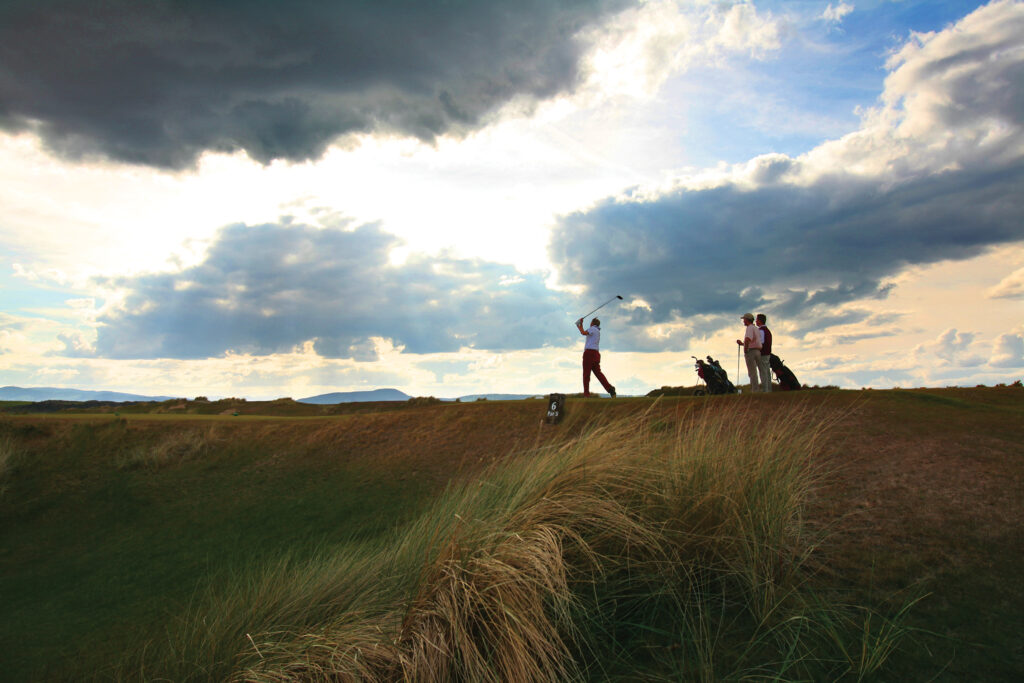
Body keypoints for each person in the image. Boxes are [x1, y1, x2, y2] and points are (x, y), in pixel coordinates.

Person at [575, 317, 616, 398]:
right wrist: (581, 324)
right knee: (598, 374)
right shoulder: (597, 330)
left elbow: (583, 332)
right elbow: (585, 332)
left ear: (592, 323)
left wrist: (578, 325)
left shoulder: (592, 329)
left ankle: (586, 394)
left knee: (586, 375)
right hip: (596, 354)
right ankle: (610, 389)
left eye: (591, 322)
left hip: (589, 354)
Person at [735, 312, 761, 392]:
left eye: (744, 319)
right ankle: (759, 389)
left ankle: (755, 390)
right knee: (758, 371)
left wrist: (745, 349)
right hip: (758, 351)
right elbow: (753, 341)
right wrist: (743, 344)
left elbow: (748, 339)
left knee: (752, 372)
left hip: (751, 352)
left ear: (747, 320)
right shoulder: (756, 328)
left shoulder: (749, 328)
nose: (743, 321)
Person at [756, 313, 772, 392]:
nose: (756, 321)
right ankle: (769, 389)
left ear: (759, 321)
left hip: (762, 354)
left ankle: (765, 390)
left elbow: (761, 343)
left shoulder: (761, 331)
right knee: (766, 372)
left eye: (757, 320)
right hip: (767, 354)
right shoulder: (767, 331)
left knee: (763, 373)